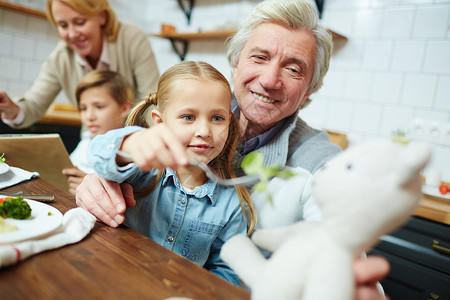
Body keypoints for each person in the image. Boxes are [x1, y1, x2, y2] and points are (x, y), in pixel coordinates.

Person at [75, 1, 390, 298]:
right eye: (259, 57)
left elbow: (341, 248)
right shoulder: (191, 106)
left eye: (293, 69)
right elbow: (115, 148)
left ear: (310, 90)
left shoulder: (322, 164)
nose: (269, 80)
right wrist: (103, 172)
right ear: (236, 63)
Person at [85, 61, 257, 285]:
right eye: (188, 117)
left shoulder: (233, 203)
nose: (204, 131)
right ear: (160, 122)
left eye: (217, 118)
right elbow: (98, 154)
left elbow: (227, 272)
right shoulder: (140, 171)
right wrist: (129, 144)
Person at [0, 0, 159, 129]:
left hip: (138, 139)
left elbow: (152, 102)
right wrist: (12, 110)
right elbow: (34, 105)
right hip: (93, 139)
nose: (72, 34)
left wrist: (143, 141)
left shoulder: (132, 40)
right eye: (63, 25)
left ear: (102, 17)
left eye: (80, 22)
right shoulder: (60, 58)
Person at [62, 70, 133, 195]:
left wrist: (90, 186)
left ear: (124, 108)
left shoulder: (128, 150)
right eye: (83, 108)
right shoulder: (86, 140)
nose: (89, 116)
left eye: (99, 107)